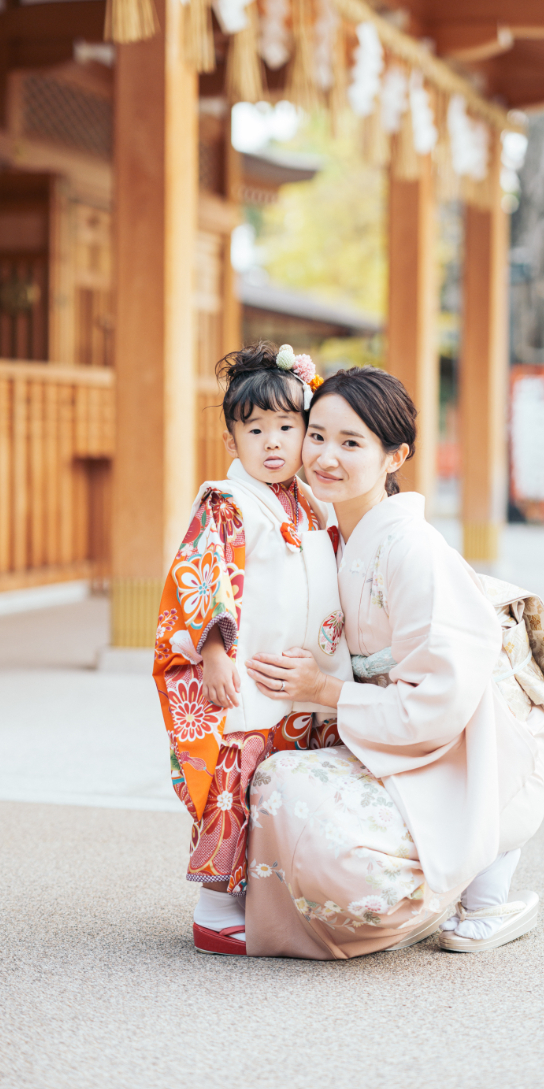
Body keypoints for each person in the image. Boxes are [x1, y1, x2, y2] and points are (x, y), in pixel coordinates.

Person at [243, 367, 544, 959]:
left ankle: (469, 881)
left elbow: (440, 698)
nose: (325, 457)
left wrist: (328, 691)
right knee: (273, 784)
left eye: (351, 443)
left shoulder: (411, 549)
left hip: (468, 744)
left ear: (395, 457)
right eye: (316, 436)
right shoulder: (330, 525)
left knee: (301, 809)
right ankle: (453, 878)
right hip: (393, 731)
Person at [153, 342, 352, 956]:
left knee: (280, 783)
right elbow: (203, 572)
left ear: (306, 433)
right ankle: (215, 906)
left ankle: (268, 893)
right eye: (255, 428)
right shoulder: (227, 501)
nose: (272, 443)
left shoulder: (308, 503)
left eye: (287, 428)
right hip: (245, 671)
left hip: (300, 674)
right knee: (236, 780)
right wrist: (214, 649)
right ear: (230, 439)